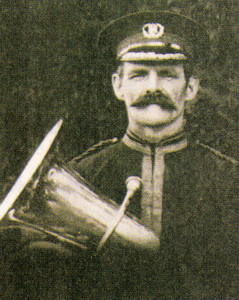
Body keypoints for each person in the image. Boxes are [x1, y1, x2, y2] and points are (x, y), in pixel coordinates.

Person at [0, 11, 238, 299]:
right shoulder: (84, 173)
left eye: (167, 75)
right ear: (118, 85)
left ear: (190, 88)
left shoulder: (229, 180)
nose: (152, 87)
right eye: (138, 74)